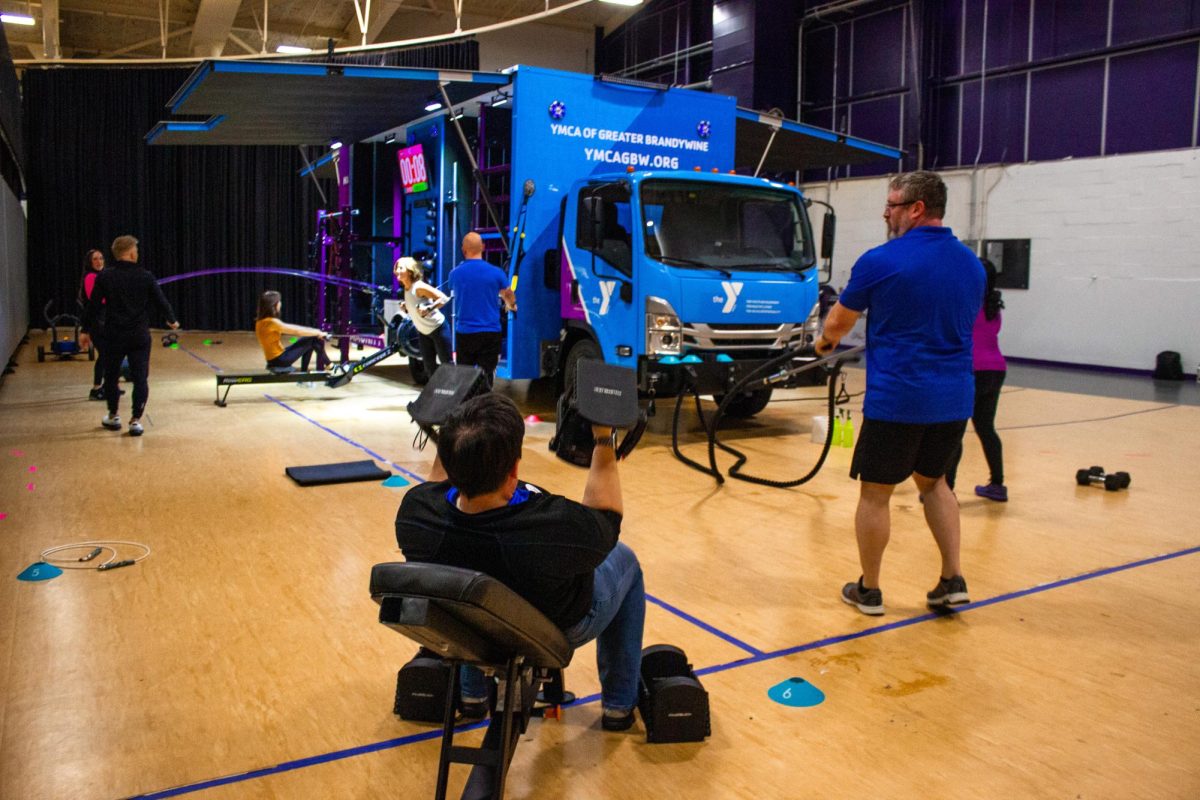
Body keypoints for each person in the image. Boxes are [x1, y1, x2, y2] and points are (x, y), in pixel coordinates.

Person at [395, 392, 645, 732]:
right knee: (625, 560)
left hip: (466, 630)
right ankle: (618, 706)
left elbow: (435, 491)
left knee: (461, 591)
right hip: (559, 625)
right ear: (514, 467)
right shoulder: (554, 528)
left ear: (450, 464)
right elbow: (605, 520)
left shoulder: (415, 517)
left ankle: (471, 697)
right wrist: (603, 439)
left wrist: (443, 432)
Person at [815, 171, 984, 616]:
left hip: (899, 398)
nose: (885, 212)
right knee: (936, 484)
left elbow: (837, 324)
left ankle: (869, 589)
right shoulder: (972, 264)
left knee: (875, 494)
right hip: (952, 400)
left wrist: (823, 343)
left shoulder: (881, 260)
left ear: (917, 209)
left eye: (892, 204)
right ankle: (952, 578)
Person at [80, 235, 180, 437]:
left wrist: (85, 330)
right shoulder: (145, 276)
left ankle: (113, 415)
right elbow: (161, 301)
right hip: (139, 336)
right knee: (140, 378)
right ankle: (136, 420)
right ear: (132, 252)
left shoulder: (105, 277)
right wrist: (172, 320)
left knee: (111, 375)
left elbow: (93, 307)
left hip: (114, 335)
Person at [944, 258, 1008, 502]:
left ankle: (946, 490)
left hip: (971, 370)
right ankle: (998, 485)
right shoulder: (993, 305)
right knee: (986, 429)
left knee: (955, 431)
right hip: (996, 369)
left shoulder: (965, 303)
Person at [446, 232, 516, 388]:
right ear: (483, 247)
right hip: (490, 333)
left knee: (465, 377)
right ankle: (484, 406)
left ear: (463, 249)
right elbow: (508, 295)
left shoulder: (454, 274)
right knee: (487, 375)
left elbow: (455, 289)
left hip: (465, 333)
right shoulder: (497, 273)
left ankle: (466, 408)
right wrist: (511, 305)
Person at [393, 257, 452, 380]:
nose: (397, 271)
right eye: (396, 268)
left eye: (401, 268)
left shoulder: (418, 286)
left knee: (447, 366)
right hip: (424, 332)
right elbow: (417, 304)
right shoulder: (406, 287)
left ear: (409, 271)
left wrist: (429, 308)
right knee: (429, 368)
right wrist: (407, 307)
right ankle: (436, 395)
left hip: (438, 329)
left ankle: (454, 395)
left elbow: (444, 298)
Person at [254, 290, 332, 375]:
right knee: (313, 339)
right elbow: (296, 330)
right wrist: (318, 332)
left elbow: (294, 333)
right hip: (280, 360)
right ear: (274, 305)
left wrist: (315, 333)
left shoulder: (260, 322)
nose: (280, 303)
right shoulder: (271, 322)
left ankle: (304, 371)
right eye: (279, 301)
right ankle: (331, 366)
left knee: (309, 338)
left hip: (274, 359)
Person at [78, 249, 108, 400]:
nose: (99, 261)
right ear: (90, 262)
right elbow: (96, 301)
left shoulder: (103, 277)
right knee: (105, 354)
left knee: (108, 355)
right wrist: (85, 329)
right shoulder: (90, 277)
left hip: (105, 322)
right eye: (95, 259)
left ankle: (107, 386)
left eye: (101, 258)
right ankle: (96, 389)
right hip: (96, 323)